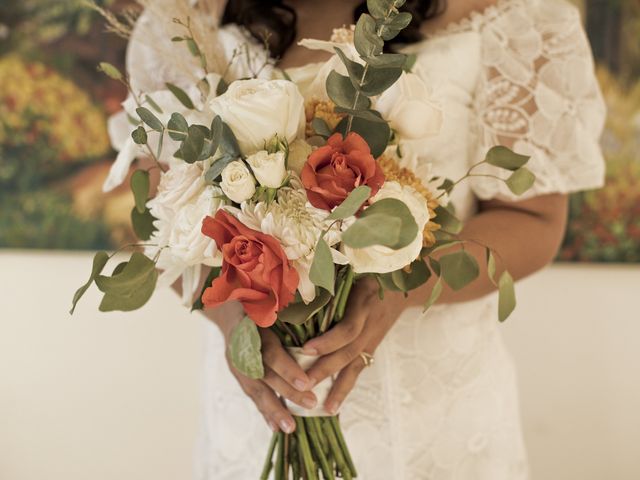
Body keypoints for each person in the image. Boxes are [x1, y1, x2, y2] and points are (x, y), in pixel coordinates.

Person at [123, 0, 606, 478]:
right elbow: (158, 213)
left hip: (434, 421)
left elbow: (535, 219)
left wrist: (401, 285)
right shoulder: (180, 22)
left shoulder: (519, 20)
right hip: (254, 421)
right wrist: (234, 318)